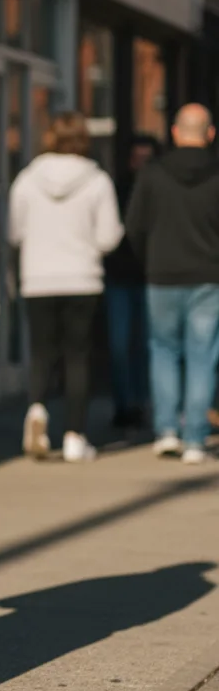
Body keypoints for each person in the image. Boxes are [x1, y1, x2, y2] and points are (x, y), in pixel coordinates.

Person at [9, 111, 124, 463]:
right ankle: (76, 436)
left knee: (42, 353)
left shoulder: (27, 180)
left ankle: (38, 409)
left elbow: (15, 232)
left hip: (38, 279)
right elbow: (108, 237)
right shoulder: (98, 181)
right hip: (82, 279)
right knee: (77, 356)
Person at [125, 103, 219, 465]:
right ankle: (195, 436)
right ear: (210, 134)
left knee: (163, 350)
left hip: (162, 275)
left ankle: (166, 430)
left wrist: (149, 259)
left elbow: (134, 226)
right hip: (209, 277)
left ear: (176, 133)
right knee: (202, 355)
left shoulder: (152, 174)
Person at [103, 135, 157, 429]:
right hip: (120, 276)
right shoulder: (116, 189)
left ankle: (142, 402)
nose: (142, 166)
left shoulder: (161, 190)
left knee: (148, 346)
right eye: (138, 159)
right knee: (120, 344)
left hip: (152, 277)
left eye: (147, 159)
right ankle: (124, 405)